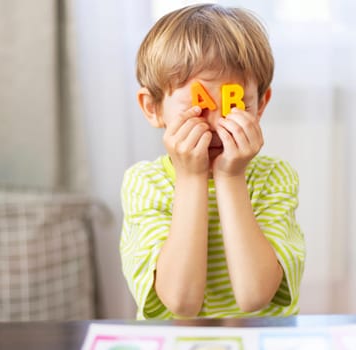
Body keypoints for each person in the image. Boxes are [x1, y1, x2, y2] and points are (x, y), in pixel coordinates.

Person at [120, 3, 305, 320]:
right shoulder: (144, 183)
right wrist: (191, 179)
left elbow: (255, 296)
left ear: (260, 105)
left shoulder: (275, 177)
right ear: (153, 108)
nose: (219, 123)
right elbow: (181, 303)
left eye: (235, 104)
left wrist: (231, 179)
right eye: (199, 104)